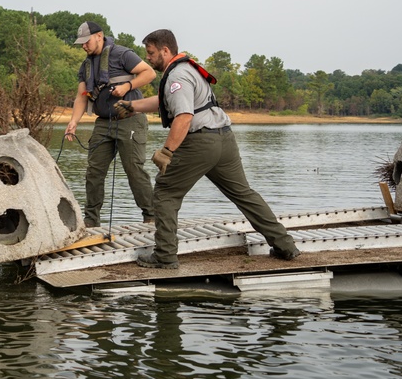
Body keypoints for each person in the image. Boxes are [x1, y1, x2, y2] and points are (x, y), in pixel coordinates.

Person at [113, 28, 300, 269]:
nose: (147, 58)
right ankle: (286, 246)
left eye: (150, 53)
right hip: (225, 139)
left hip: (201, 142)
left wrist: (167, 151)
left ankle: (165, 255)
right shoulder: (187, 69)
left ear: (165, 50)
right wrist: (132, 106)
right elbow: (164, 101)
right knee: (244, 194)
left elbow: (183, 116)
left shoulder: (177, 76)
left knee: (165, 193)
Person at [65, 21, 156, 227]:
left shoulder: (122, 54)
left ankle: (151, 216)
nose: (84, 47)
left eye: (86, 42)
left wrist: (127, 86)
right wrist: (73, 121)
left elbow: (149, 73)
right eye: (80, 44)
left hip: (130, 120)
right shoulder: (85, 66)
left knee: (134, 170)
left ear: (99, 36)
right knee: (93, 172)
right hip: (103, 123)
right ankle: (91, 220)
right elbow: (81, 96)